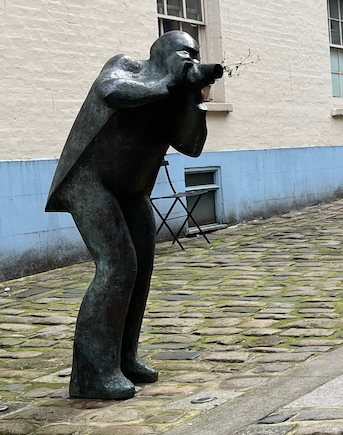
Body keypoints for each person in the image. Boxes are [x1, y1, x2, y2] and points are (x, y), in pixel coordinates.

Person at [47, 31, 223, 399]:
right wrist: (169, 85)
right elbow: (111, 92)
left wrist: (195, 101)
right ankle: (93, 374)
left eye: (195, 54)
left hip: (133, 189)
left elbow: (191, 147)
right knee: (117, 265)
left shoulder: (175, 94)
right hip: (90, 182)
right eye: (184, 52)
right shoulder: (128, 67)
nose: (191, 59)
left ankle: (124, 357)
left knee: (141, 268)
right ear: (160, 53)